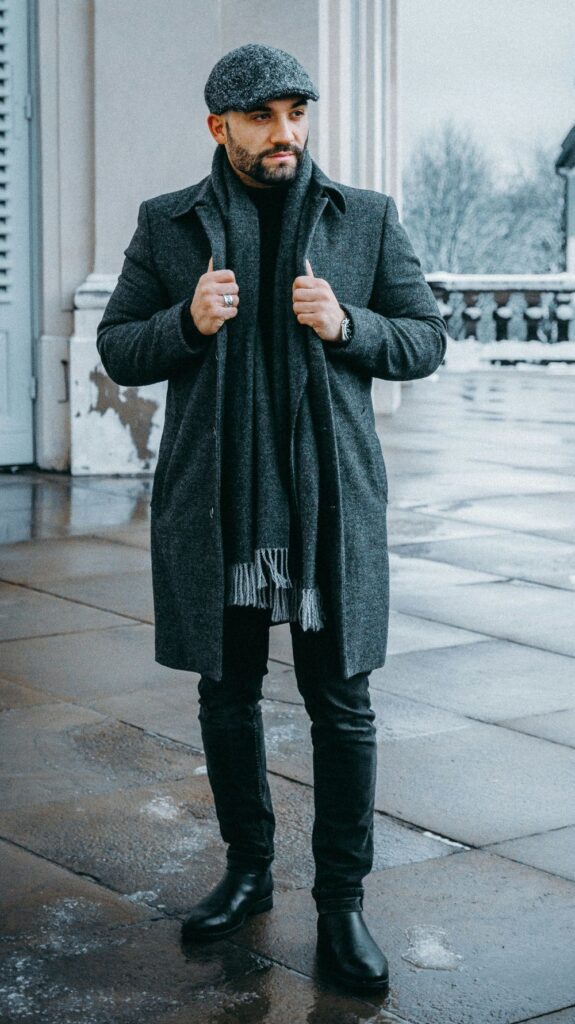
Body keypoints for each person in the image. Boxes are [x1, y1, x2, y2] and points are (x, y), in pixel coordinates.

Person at [97, 43, 447, 995]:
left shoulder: (364, 219)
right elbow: (119, 347)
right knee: (227, 696)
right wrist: (185, 323)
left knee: (342, 706)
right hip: (221, 507)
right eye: (261, 117)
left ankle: (342, 904)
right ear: (220, 127)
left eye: (296, 112)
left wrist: (348, 327)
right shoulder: (167, 227)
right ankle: (247, 871)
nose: (284, 132)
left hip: (327, 506)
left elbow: (425, 338)